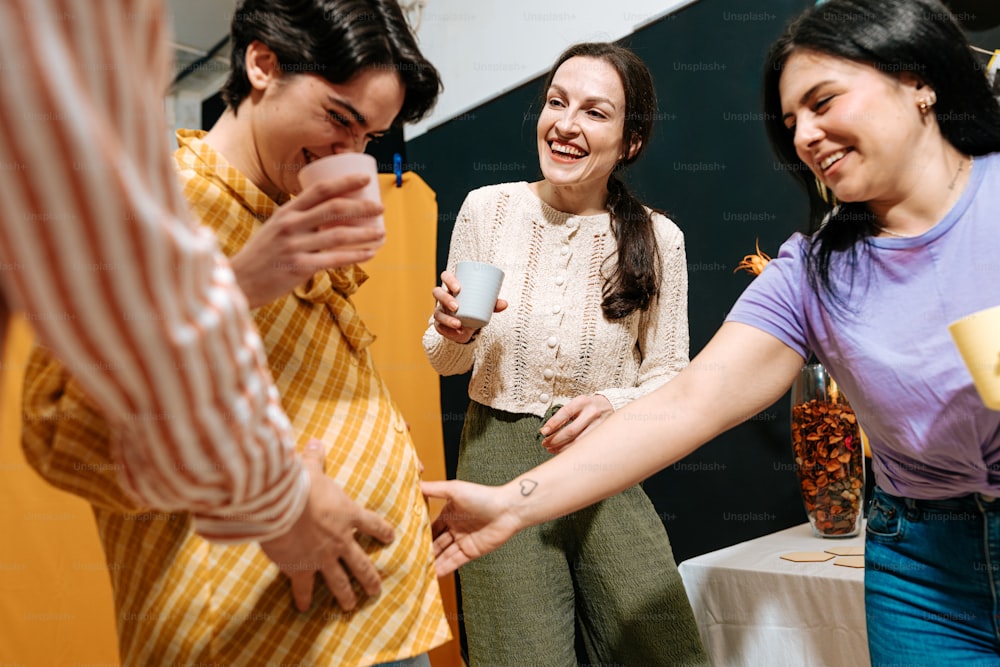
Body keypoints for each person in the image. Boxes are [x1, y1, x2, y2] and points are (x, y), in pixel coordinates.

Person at [422, 1, 1000, 664]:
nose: (807, 135)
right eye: (791, 122)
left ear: (916, 80)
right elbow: (691, 399)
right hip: (920, 564)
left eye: (824, 101)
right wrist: (511, 503)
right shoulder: (811, 273)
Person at [20, 1, 451, 665]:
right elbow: (62, 428)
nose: (349, 152)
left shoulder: (283, 211)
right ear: (261, 63)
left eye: (369, 137)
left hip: (373, 620)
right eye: (339, 117)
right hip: (259, 638)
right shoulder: (153, 208)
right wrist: (243, 282)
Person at [422, 42, 708, 666]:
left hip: (606, 462)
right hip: (496, 459)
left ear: (629, 143)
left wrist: (613, 401)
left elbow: (673, 377)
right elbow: (445, 362)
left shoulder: (660, 239)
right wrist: (454, 331)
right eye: (557, 102)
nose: (567, 124)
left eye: (595, 112)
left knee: (669, 654)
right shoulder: (488, 209)